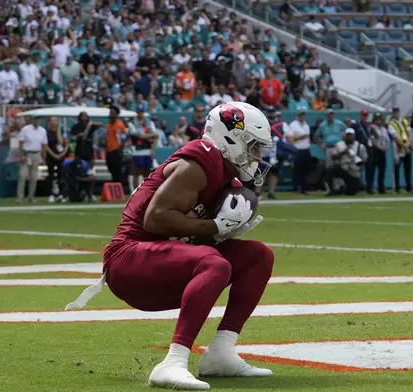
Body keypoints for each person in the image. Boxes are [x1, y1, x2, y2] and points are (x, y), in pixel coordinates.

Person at [66, 102, 275, 390]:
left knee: (258, 256)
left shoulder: (227, 177)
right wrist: (215, 226)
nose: (257, 155)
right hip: (128, 260)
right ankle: (173, 362)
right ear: (231, 138)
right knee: (214, 263)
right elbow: (156, 219)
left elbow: (190, 236)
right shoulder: (200, 163)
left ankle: (221, 353)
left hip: (162, 258)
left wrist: (224, 231)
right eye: (253, 146)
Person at [325, 128, 368, 196]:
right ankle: (331, 190)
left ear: (354, 136)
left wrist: (358, 162)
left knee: (351, 192)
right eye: (348, 135)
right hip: (343, 167)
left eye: (351, 135)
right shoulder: (339, 144)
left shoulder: (359, 146)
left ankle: (343, 189)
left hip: (353, 171)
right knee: (329, 170)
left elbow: (365, 159)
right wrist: (342, 153)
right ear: (345, 136)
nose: (350, 137)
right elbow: (333, 157)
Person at [16, 115, 47, 203]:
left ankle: (31, 196)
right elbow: (21, 142)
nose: (37, 121)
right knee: (22, 175)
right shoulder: (26, 129)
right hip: (27, 153)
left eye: (38, 119)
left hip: (37, 153)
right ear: (32, 120)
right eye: (35, 119)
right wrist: (21, 155)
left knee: (33, 177)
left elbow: (44, 144)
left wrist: (43, 157)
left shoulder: (42, 131)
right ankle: (20, 197)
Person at [388, 107, 413, 193]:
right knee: (397, 168)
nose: (396, 114)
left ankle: (409, 187)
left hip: (407, 145)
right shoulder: (391, 124)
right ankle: (397, 187)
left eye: (397, 112)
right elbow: (396, 138)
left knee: (408, 169)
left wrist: (409, 144)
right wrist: (405, 147)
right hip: (398, 148)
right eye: (395, 112)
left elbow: (409, 133)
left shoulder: (404, 121)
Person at [46, 116, 68, 203]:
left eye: (56, 120)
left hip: (60, 157)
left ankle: (61, 194)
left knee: (61, 175)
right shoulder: (47, 133)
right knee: (51, 176)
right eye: (52, 120)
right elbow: (46, 146)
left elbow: (66, 144)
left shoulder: (61, 132)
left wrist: (62, 154)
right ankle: (51, 194)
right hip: (51, 156)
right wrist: (54, 154)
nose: (54, 122)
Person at [104, 105, 127, 183]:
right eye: (110, 112)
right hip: (109, 150)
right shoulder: (108, 125)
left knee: (117, 171)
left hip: (116, 151)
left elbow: (123, 139)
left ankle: (118, 187)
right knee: (111, 169)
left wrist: (121, 151)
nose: (110, 114)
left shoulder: (120, 125)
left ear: (117, 114)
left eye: (113, 113)